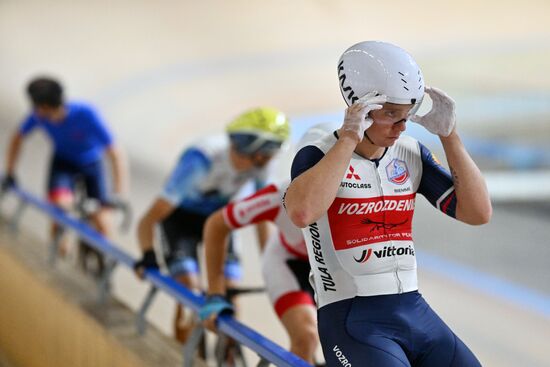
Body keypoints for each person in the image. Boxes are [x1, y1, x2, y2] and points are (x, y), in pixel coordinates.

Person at [284, 41, 492, 367]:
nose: (402, 126)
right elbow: (301, 212)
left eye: (407, 114)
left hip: (413, 309)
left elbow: (478, 213)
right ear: (359, 108)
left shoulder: (410, 153)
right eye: (391, 114)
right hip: (351, 316)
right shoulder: (319, 152)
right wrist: (349, 139)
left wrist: (449, 136)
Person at [133, 107, 290, 344]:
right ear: (253, 150)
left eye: (270, 157)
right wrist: (147, 253)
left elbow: (262, 217)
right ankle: (184, 349)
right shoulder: (200, 160)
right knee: (188, 289)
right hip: (181, 221)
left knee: (230, 294)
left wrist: (270, 263)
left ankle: (228, 349)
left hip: (219, 222)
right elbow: (150, 218)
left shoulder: (260, 164)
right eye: (266, 156)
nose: (268, 162)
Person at [198, 123, 337, 364]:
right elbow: (216, 225)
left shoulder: (365, 194)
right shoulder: (280, 194)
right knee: (306, 337)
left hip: (334, 272)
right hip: (287, 263)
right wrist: (215, 293)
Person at [1, 76, 128, 254]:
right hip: (63, 163)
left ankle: (106, 262)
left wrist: (118, 193)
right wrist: (10, 172)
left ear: (42, 106)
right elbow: (18, 138)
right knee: (59, 208)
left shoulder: (86, 113)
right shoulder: (39, 116)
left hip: (91, 164)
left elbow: (115, 152)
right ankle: (59, 252)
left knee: (103, 219)